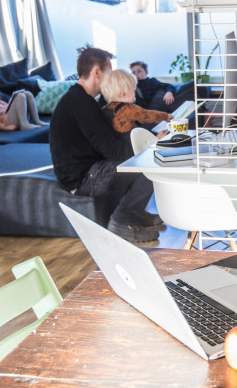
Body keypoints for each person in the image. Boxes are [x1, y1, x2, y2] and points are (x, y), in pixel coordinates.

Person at [49, 46, 163, 244]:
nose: (112, 78)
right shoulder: (81, 104)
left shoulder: (85, 100)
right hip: (82, 179)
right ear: (96, 72)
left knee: (147, 154)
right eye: (109, 72)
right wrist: (150, 144)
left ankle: (134, 213)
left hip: (89, 169)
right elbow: (115, 150)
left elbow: (115, 139)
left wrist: (150, 138)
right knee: (150, 161)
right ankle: (121, 222)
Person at [99, 69, 173, 143]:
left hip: (118, 144)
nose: (134, 94)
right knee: (163, 135)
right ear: (123, 94)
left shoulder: (105, 109)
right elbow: (148, 114)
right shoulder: (129, 108)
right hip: (132, 145)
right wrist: (166, 116)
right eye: (133, 91)